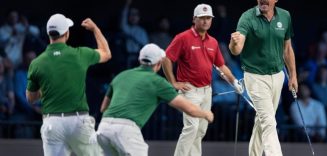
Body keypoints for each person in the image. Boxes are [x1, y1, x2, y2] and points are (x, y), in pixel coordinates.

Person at [97, 43, 214, 156]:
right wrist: (206, 113)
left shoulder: (121, 75)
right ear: (158, 64)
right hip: (126, 131)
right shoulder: (158, 82)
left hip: (103, 128)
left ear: (140, 60)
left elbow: (103, 108)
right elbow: (189, 109)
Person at [162, 4, 242, 156]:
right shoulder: (183, 37)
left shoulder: (213, 42)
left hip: (207, 91)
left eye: (208, 18)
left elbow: (221, 65)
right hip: (189, 90)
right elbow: (167, 59)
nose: (205, 21)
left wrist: (234, 82)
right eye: (202, 18)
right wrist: (173, 82)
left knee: (200, 130)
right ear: (194, 19)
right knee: (191, 128)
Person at [26, 14, 111, 156]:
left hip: (53, 123)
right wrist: (95, 29)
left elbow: (31, 98)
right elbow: (106, 53)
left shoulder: (36, 63)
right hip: (79, 121)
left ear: (49, 34)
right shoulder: (79, 54)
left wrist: (49, 86)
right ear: (67, 33)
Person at [229, 0, 298, 155]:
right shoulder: (247, 17)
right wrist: (234, 44)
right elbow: (236, 49)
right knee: (269, 122)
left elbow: (287, 49)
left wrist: (293, 75)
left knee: (263, 121)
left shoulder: (285, 16)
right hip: (255, 77)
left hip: (277, 76)